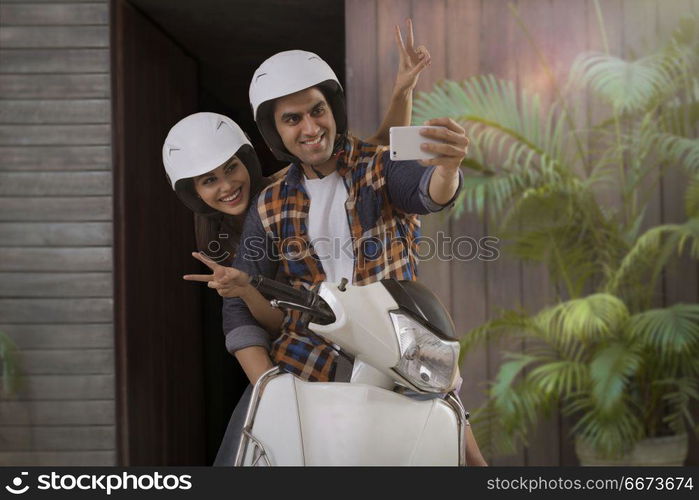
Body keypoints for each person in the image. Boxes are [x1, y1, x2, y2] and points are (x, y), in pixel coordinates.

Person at [162, 21, 436, 463]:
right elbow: (254, 320)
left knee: (450, 418)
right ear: (194, 195)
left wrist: (403, 91)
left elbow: (375, 158)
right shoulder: (232, 237)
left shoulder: (286, 190)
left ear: (251, 159)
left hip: (364, 336)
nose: (227, 186)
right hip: (292, 357)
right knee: (245, 452)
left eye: (231, 169)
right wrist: (272, 387)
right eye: (208, 181)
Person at [203, 47, 487, 465]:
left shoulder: (381, 164)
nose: (310, 126)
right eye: (292, 119)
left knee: (461, 456)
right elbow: (238, 307)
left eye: (317, 110)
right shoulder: (269, 204)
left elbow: (426, 191)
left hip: (398, 351)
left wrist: (448, 169)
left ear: (333, 109)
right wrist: (268, 384)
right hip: (305, 356)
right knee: (239, 456)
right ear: (275, 133)